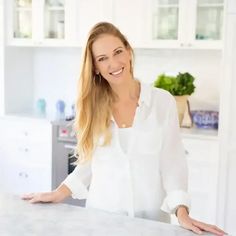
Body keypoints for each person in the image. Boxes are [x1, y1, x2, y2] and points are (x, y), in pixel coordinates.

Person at [22, 22, 226, 235]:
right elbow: (89, 164)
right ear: (95, 68)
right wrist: (58, 193)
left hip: (152, 223)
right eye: (102, 59)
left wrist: (181, 212)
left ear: (128, 52)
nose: (113, 63)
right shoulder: (92, 107)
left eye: (117, 52)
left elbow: (173, 164)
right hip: (101, 221)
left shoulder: (162, 102)